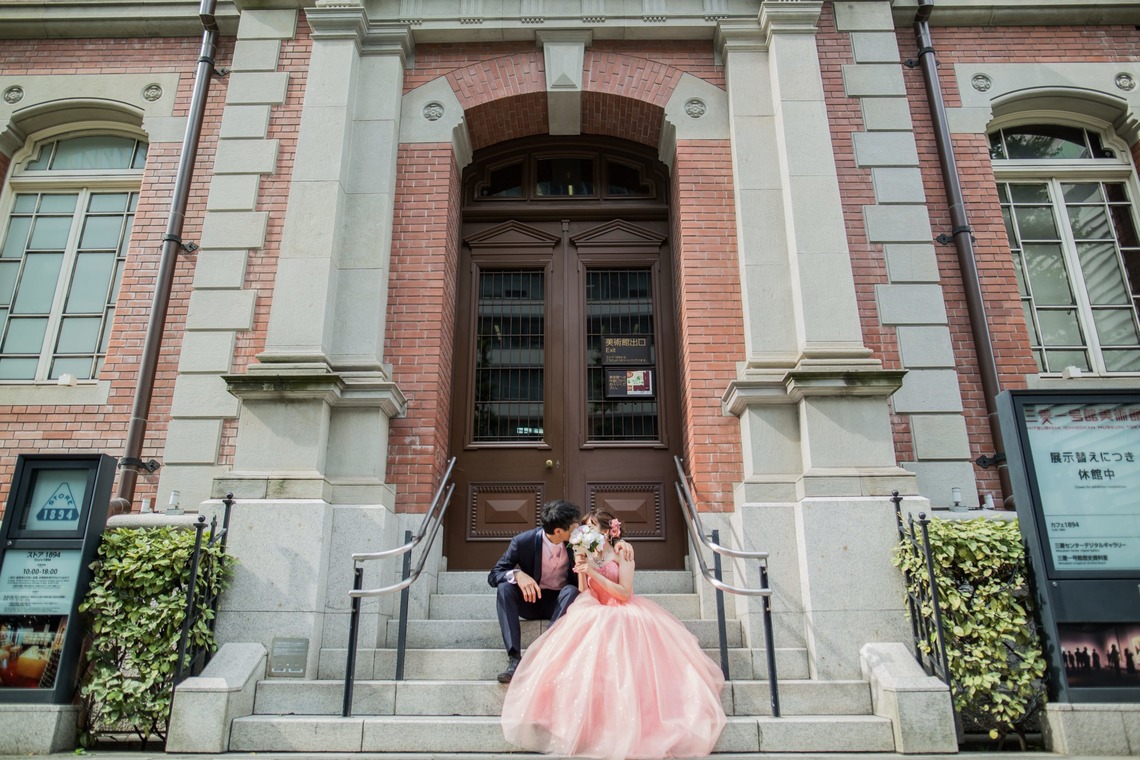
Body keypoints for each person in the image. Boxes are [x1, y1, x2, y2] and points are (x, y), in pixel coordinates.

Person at [500, 509, 727, 759]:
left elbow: (624, 593)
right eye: (584, 527)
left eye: (591, 526)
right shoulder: (581, 550)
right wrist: (584, 570)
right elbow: (585, 590)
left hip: (623, 608)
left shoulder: (622, 553)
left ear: (608, 531)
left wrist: (594, 570)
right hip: (594, 605)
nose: (584, 531)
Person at [488, 500, 584, 684]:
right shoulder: (523, 542)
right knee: (504, 587)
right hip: (531, 600)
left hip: (560, 603)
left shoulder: (578, 542)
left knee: (571, 590)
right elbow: (494, 575)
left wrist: (619, 542)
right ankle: (514, 659)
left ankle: (545, 649)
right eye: (574, 526)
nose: (578, 528)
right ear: (558, 531)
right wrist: (517, 574)